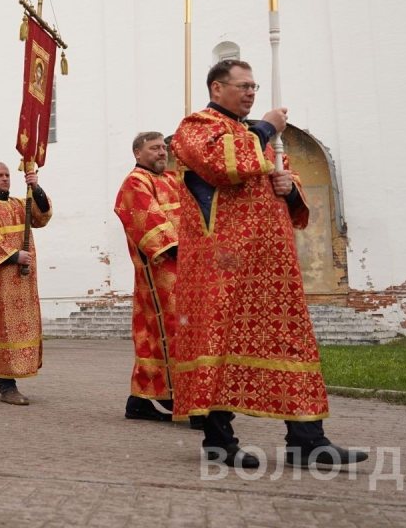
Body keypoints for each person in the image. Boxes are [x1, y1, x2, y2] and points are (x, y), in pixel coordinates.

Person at [170, 59, 368, 468]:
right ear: (216, 87)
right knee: (218, 345)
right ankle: (219, 441)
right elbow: (221, 165)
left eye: (254, 86)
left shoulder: (262, 140)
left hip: (271, 266)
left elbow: (288, 186)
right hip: (222, 264)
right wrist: (265, 127)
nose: (250, 92)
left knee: (289, 343)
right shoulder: (196, 126)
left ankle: (307, 440)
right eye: (242, 85)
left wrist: (289, 189)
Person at [0, 162, 52, 406]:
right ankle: (4, 382)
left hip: (24, 279)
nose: (5, 179)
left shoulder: (18, 203)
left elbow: (41, 216)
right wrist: (14, 256)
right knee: (2, 326)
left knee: (23, 326)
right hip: (1, 279)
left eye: (7, 175)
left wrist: (36, 189)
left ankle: (11, 374)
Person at [113, 131, 183, 423]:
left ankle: (140, 401)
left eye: (163, 148)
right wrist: (185, 250)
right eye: (154, 148)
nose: (161, 152)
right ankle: (183, 398)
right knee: (170, 332)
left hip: (186, 269)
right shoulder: (135, 182)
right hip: (161, 271)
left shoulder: (170, 179)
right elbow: (147, 222)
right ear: (137, 154)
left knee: (161, 336)